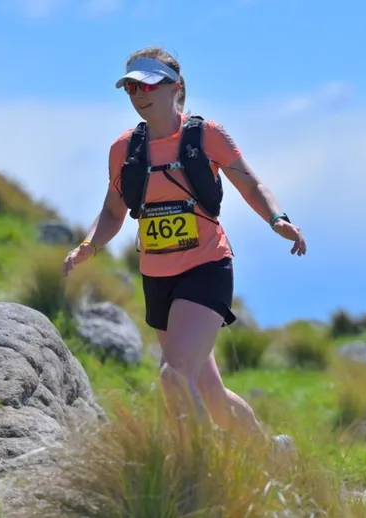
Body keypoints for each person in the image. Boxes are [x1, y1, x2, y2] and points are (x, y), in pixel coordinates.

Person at [62, 46, 306, 449]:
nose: (139, 95)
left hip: (206, 267)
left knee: (173, 376)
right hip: (157, 278)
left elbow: (251, 184)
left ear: (176, 87)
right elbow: (112, 211)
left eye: (148, 85)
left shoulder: (206, 135)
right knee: (206, 390)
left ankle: (203, 470)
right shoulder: (124, 149)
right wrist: (89, 245)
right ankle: (271, 453)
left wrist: (278, 219)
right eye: (131, 88)